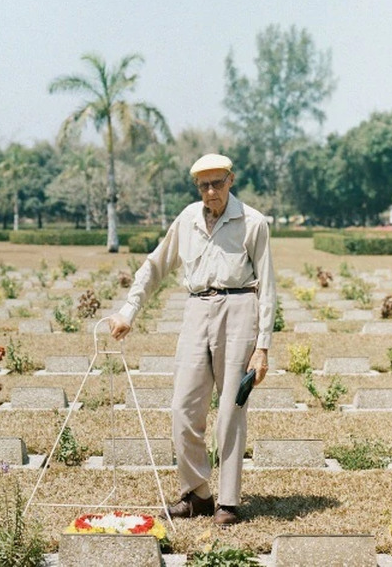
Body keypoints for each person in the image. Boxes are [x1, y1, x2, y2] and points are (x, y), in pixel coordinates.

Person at [107, 153, 276, 525]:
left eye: (218, 183)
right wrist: (128, 311)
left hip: (239, 309)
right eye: (204, 185)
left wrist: (262, 347)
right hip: (196, 310)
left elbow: (268, 287)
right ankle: (197, 492)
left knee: (231, 411)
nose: (211, 191)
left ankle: (228, 502)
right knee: (183, 408)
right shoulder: (187, 219)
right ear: (197, 187)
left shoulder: (253, 222)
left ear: (231, 180)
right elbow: (155, 265)